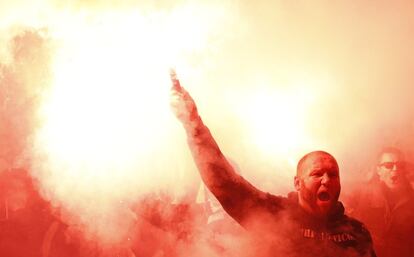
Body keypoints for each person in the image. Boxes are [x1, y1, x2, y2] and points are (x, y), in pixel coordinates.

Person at [169, 70, 376, 257]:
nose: (326, 180)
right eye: (317, 174)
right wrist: (193, 123)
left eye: (333, 174)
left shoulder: (356, 232)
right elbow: (225, 184)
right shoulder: (273, 214)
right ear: (297, 183)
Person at [349, 147, 414, 257]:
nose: (395, 169)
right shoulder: (361, 194)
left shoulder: (411, 198)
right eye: (388, 165)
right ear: (378, 170)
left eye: (400, 165)